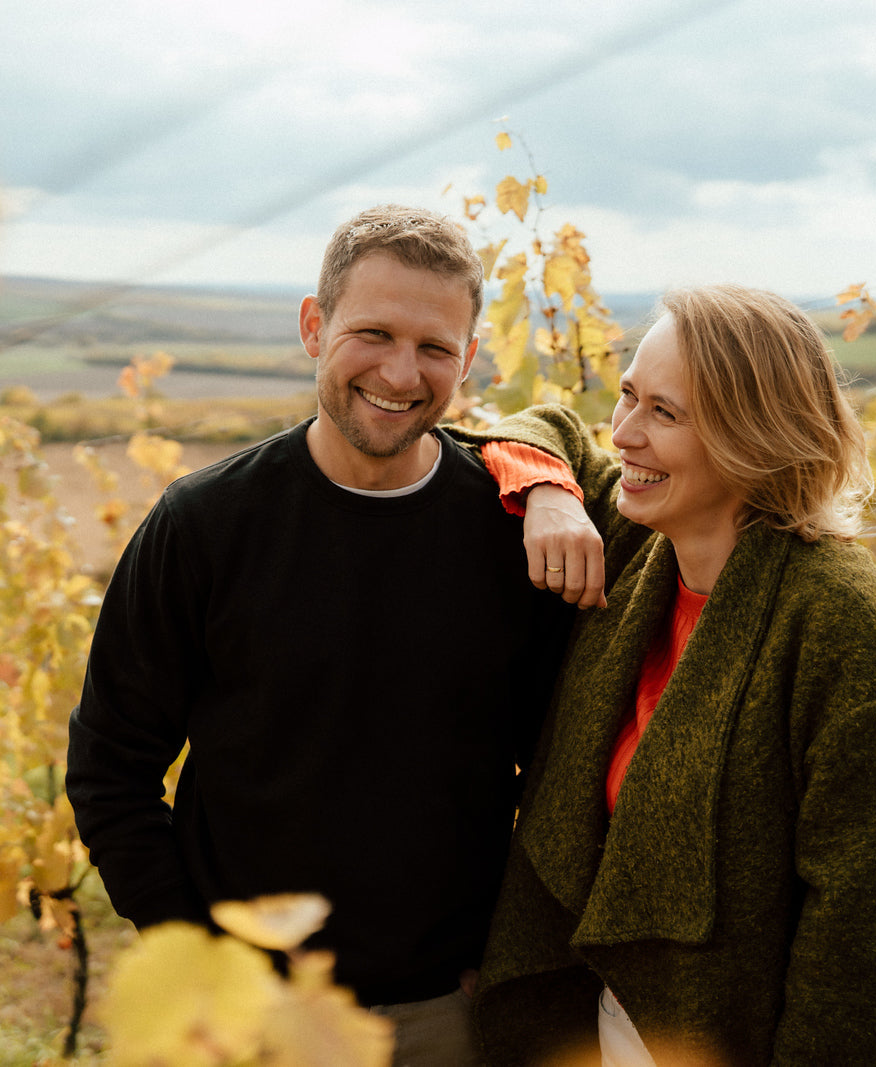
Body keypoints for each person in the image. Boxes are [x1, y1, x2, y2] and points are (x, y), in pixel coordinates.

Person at [64, 204, 585, 1066]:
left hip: (447, 1013)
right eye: (371, 332)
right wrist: (206, 962)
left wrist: (509, 956)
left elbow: (559, 778)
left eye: (434, 348)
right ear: (314, 325)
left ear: (470, 356)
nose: (399, 371)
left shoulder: (510, 534)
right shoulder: (205, 525)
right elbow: (109, 768)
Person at [450, 284, 876, 1066]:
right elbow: (543, 427)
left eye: (664, 414)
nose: (624, 433)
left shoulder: (833, 612)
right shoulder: (638, 547)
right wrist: (548, 494)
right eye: (627, 396)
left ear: (753, 437)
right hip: (601, 1035)